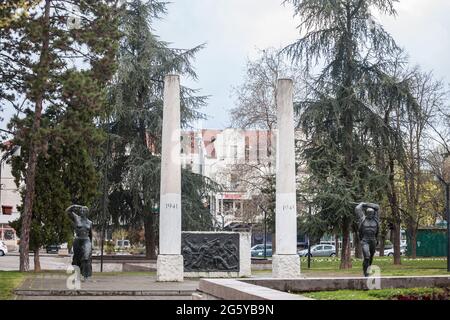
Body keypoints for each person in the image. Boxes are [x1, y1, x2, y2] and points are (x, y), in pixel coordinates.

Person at [66, 205, 93, 281]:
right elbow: (67, 212)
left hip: (86, 240)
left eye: (83, 210)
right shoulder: (76, 218)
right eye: (80, 210)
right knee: (76, 258)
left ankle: (86, 276)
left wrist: (91, 245)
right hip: (78, 240)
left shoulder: (90, 222)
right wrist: (74, 206)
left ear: (87, 212)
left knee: (86, 257)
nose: (81, 211)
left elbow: (91, 234)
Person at [355, 202, 380, 277]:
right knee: (367, 256)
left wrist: (367, 204)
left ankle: (367, 269)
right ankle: (366, 273)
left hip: (373, 240)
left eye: (372, 213)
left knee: (371, 257)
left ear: (373, 213)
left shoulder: (376, 219)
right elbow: (357, 208)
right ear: (366, 213)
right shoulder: (362, 218)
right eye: (369, 213)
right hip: (365, 240)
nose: (370, 215)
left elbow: (377, 206)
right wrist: (362, 204)